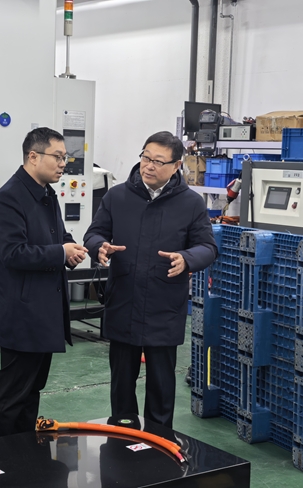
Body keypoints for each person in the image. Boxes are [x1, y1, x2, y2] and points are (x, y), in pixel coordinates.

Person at [84, 131, 217, 429]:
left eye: (158, 161)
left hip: (163, 305)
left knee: (161, 386)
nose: (149, 166)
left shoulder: (191, 203)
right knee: (121, 384)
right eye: (146, 157)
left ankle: (159, 440)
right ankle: (122, 438)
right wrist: (99, 246)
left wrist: (187, 258)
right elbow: (94, 233)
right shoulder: (117, 196)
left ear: (176, 165)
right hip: (124, 301)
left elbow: (208, 247)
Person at [0, 127, 87, 438]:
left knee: (31, 390)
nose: (63, 164)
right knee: (12, 392)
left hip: (43, 312)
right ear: (33, 156)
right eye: (58, 157)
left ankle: (23, 453)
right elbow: (13, 253)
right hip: (21, 313)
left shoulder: (46, 194)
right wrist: (60, 252)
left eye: (65, 158)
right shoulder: (9, 198)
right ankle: (1, 454)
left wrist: (70, 249)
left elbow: (57, 235)